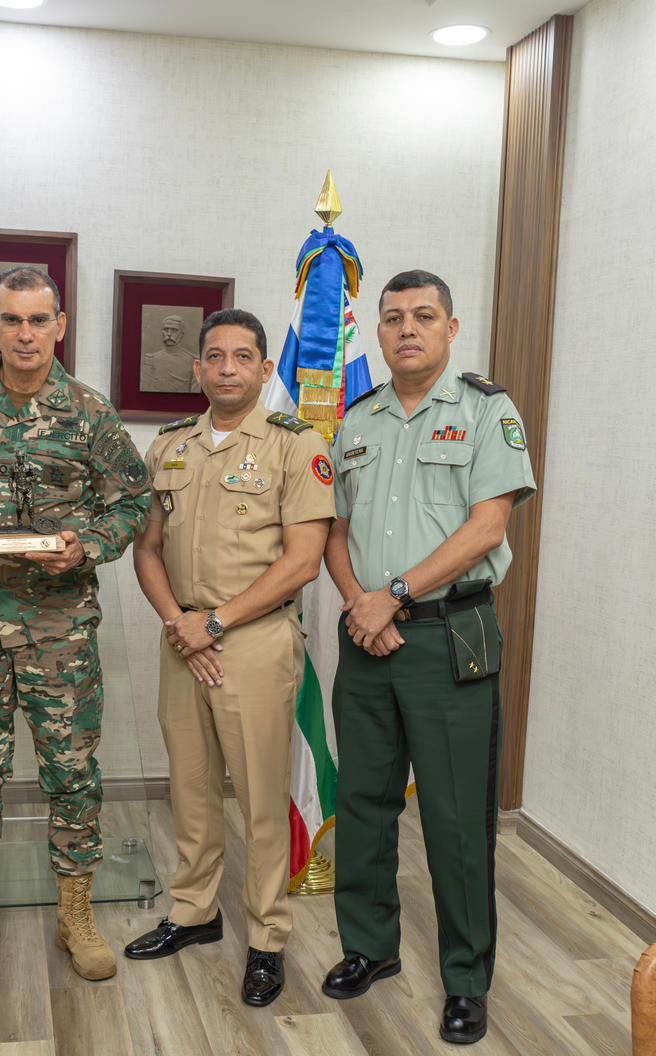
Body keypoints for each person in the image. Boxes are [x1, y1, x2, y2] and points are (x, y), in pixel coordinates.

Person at [0, 266, 151, 981]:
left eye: (38, 320)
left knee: (71, 773)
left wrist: (91, 545)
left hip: (59, 626)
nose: (25, 334)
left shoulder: (90, 412)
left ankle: (76, 914)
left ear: (60, 325)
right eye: (11, 320)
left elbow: (132, 501)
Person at [321, 270, 536, 1045]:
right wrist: (361, 603)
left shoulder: (485, 410)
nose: (406, 329)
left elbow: (487, 528)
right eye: (392, 318)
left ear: (451, 327)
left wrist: (396, 596)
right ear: (376, 334)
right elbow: (335, 534)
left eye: (423, 316)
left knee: (454, 816)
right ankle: (369, 949)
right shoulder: (357, 421)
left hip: (449, 636)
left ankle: (467, 978)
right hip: (367, 636)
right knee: (366, 802)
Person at [124, 309, 334, 1006]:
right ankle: (194, 912)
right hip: (183, 637)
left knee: (261, 800)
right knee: (190, 788)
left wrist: (216, 621)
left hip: (253, 640)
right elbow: (146, 548)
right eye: (214, 357)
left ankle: (268, 938)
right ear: (198, 369)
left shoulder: (295, 447)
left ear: (265, 369)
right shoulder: (170, 447)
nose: (227, 369)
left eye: (243, 357)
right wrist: (181, 622)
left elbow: (305, 561)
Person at [139, 313, 200, 393]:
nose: (169, 334)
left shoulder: (193, 361)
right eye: (166, 329)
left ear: (181, 334)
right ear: (162, 332)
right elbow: (145, 388)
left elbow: (194, 394)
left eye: (174, 330)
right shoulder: (151, 359)